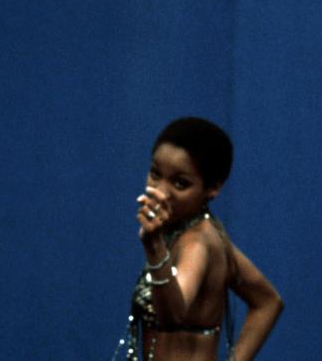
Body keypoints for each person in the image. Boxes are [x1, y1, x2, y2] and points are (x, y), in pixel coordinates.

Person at [115, 117, 283, 361]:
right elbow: (267, 301)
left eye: (180, 183)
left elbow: (172, 316)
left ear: (212, 188)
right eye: (155, 174)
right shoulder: (202, 233)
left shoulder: (197, 243)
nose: (160, 191)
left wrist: (154, 247)